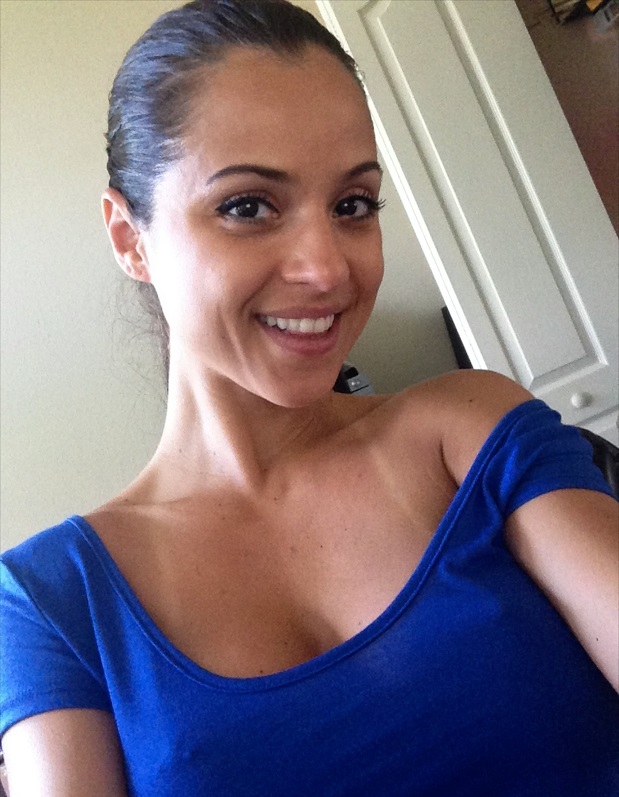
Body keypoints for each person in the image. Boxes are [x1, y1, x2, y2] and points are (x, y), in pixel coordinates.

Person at [1, 1, 617, 795]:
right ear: (130, 237)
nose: (326, 269)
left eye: (351, 204)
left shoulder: (469, 433)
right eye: (247, 207)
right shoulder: (52, 601)